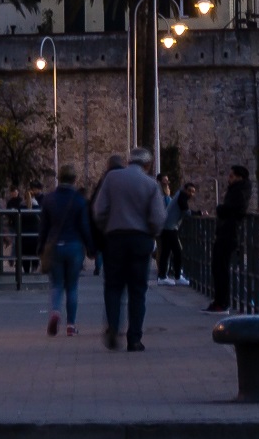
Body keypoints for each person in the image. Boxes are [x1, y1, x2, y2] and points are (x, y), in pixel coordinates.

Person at [91, 147, 166, 351]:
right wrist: (150, 232)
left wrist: (108, 226)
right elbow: (158, 218)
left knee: (113, 287)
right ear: (148, 164)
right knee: (137, 290)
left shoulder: (112, 179)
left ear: (128, 161)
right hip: (140, 240)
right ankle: (134, 338)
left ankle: (113, 327)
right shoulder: (151, 184)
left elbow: (99, 210)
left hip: (115, 238)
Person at [37, 166, 93, 337]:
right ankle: (71, 325)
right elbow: (84, 226)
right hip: (74, 246)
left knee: (56, 284)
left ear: (59, 178)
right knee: (72, 286)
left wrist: (40, 246)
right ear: (74, 179)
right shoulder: (79, 200)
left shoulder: (49, 199)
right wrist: (91, 247)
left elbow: (44, 227)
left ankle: (55, 312)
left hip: (54, 246)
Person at [208, 165, 252, 313]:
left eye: (232, 176)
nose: (229, 178)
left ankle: (221, 303)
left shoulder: (239, 191)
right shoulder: (239, 190)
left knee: (220, 268)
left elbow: (234, 209)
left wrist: (221, 209)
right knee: (218, 267)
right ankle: (220, 301)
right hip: (227, 232)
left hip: (229, 232)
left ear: (239, 177)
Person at [157, 181, 193, 285]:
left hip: (167, 227)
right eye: (190, 191)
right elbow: (186, 211)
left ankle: (163, 276)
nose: (191, 194)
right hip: (170, 228)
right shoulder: (182, 196)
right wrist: (199, 213)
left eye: (193, 192)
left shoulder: (179, 195)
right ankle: (176, 276)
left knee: (166, 252)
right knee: (177, 252)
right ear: (185, 190)